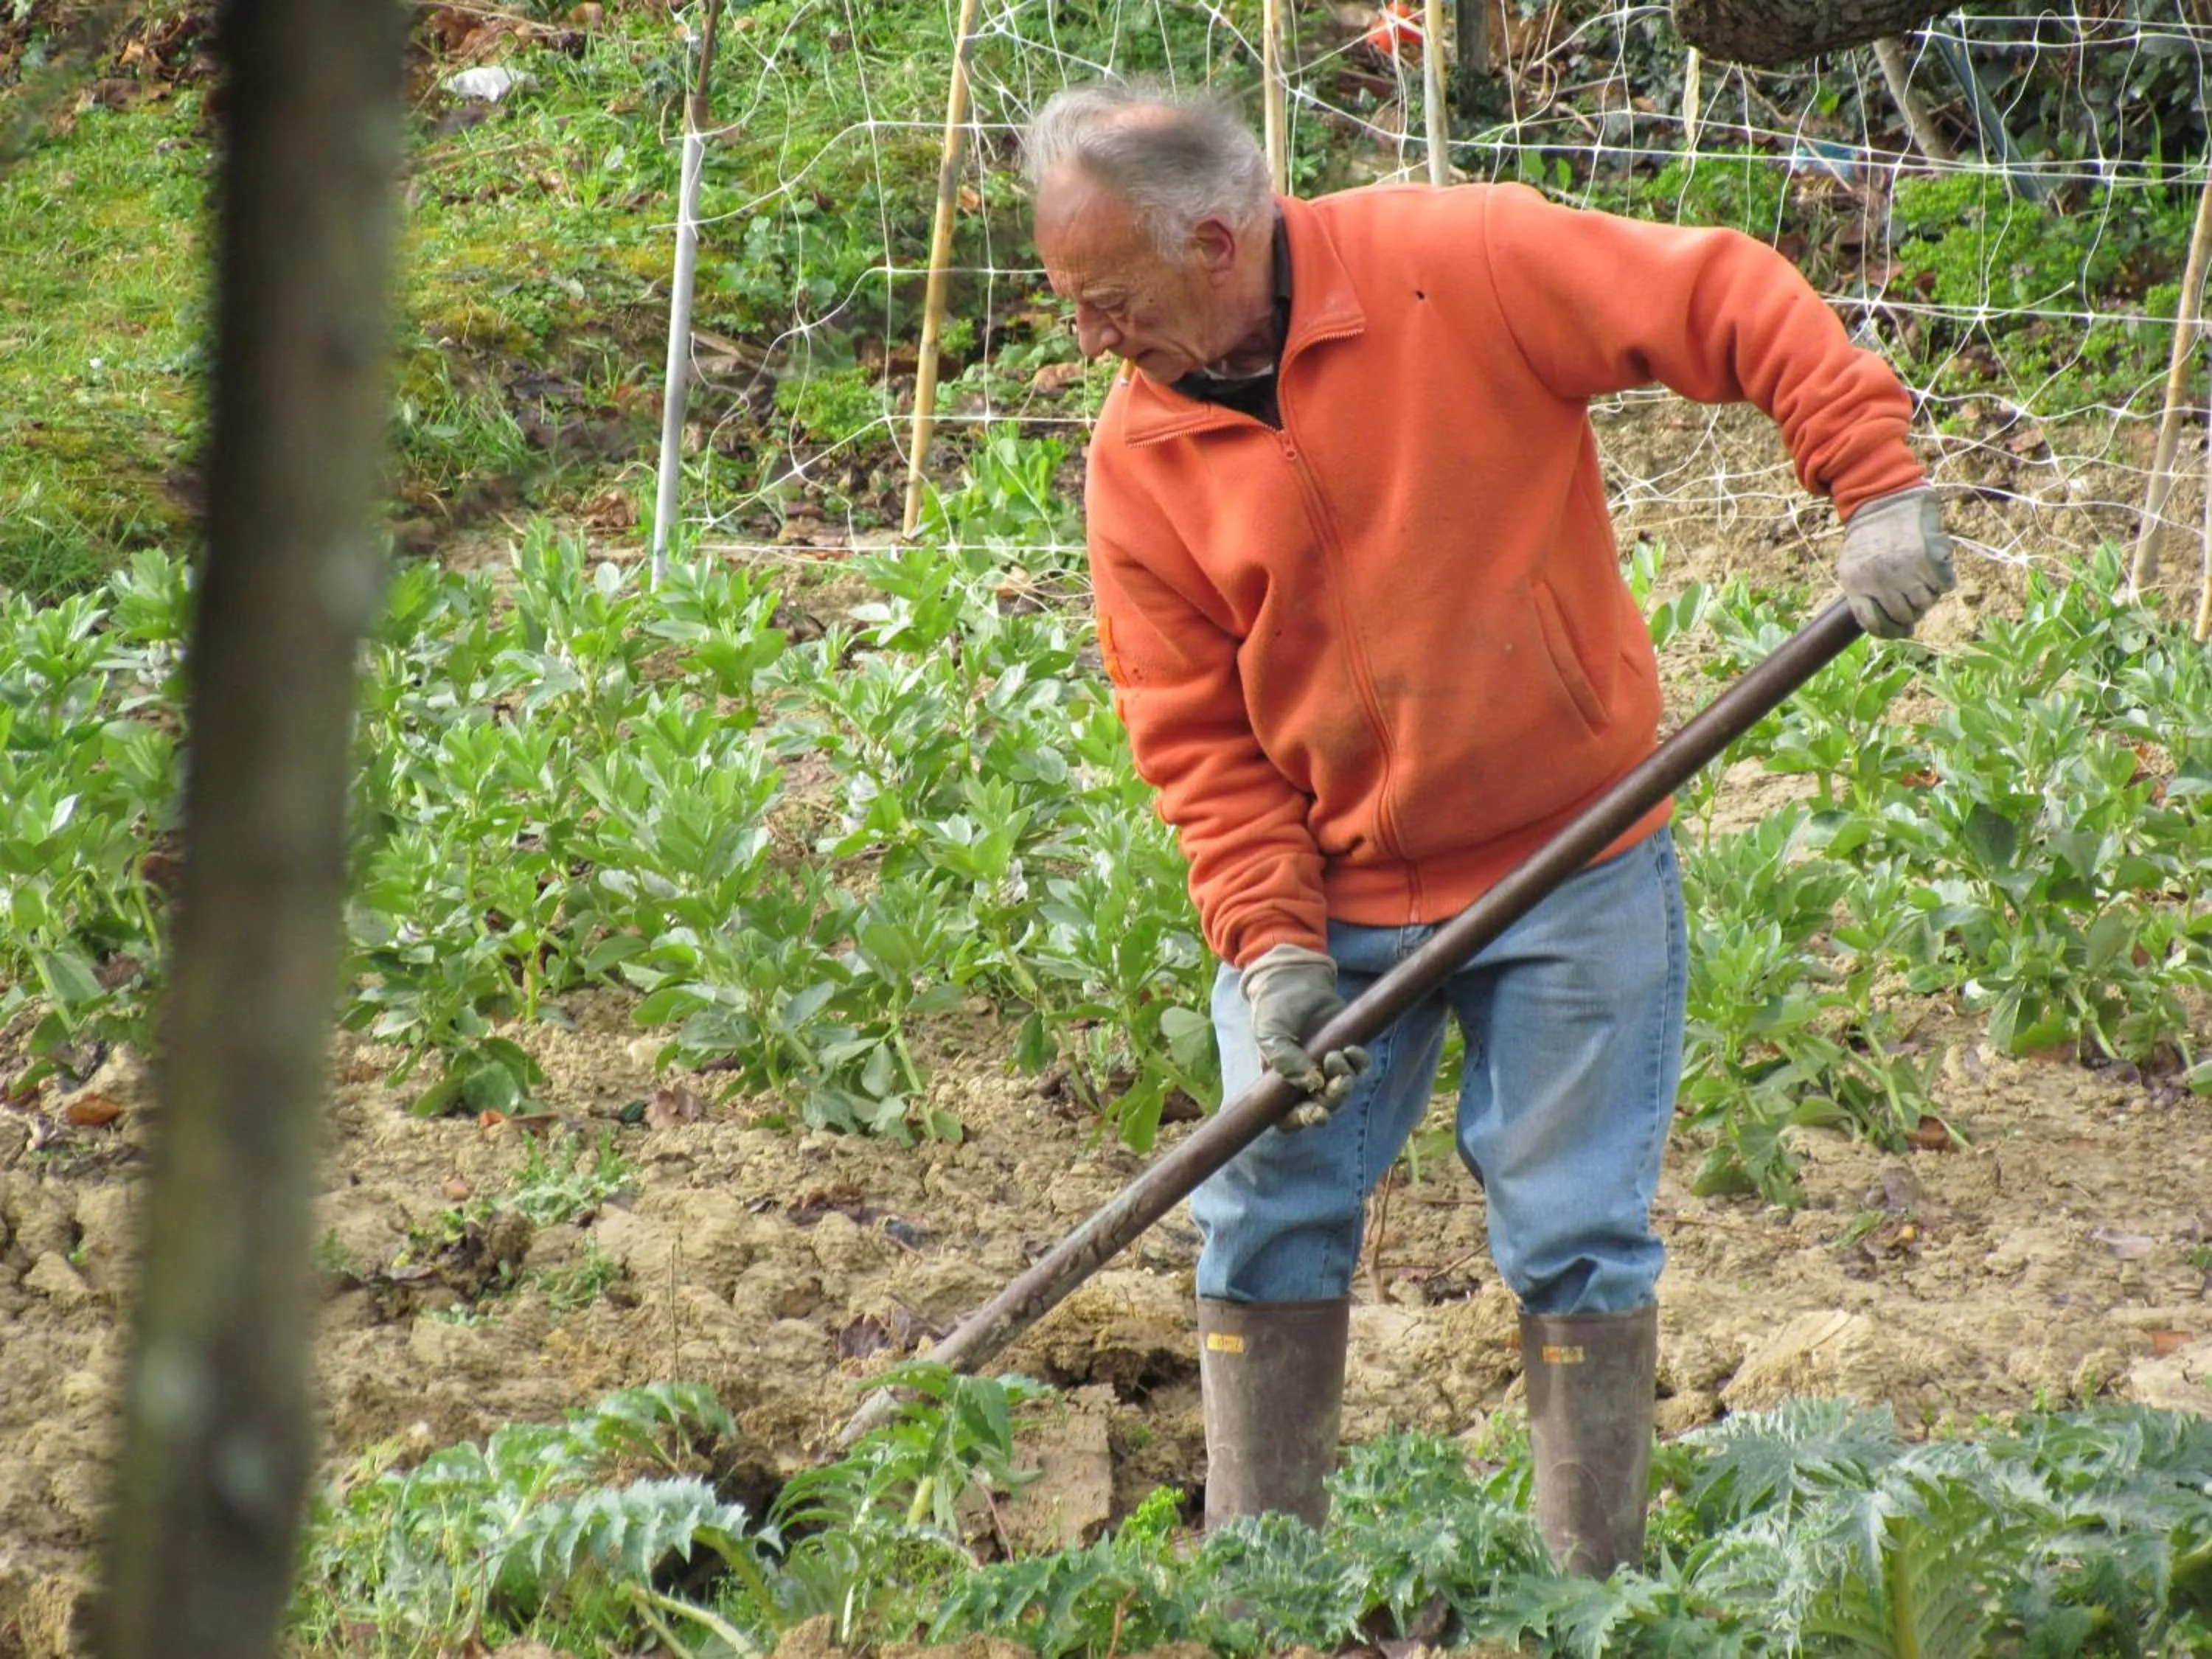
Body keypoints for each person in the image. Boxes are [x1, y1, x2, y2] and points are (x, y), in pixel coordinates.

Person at [1022, 82, 1953, 1576]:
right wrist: (1270, 952)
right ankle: (1273, 1589)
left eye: (1107, 298)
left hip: (1575, 859)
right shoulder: (1140, 461)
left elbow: (1719, 295)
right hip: (1332, 892)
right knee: (1264, 1213)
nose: (1089, 340)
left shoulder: (1457, 265)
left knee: (1576, 1233)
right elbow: (1196, 739)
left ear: (1214, 237)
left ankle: (1587, 1597)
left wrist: (1878, 478)